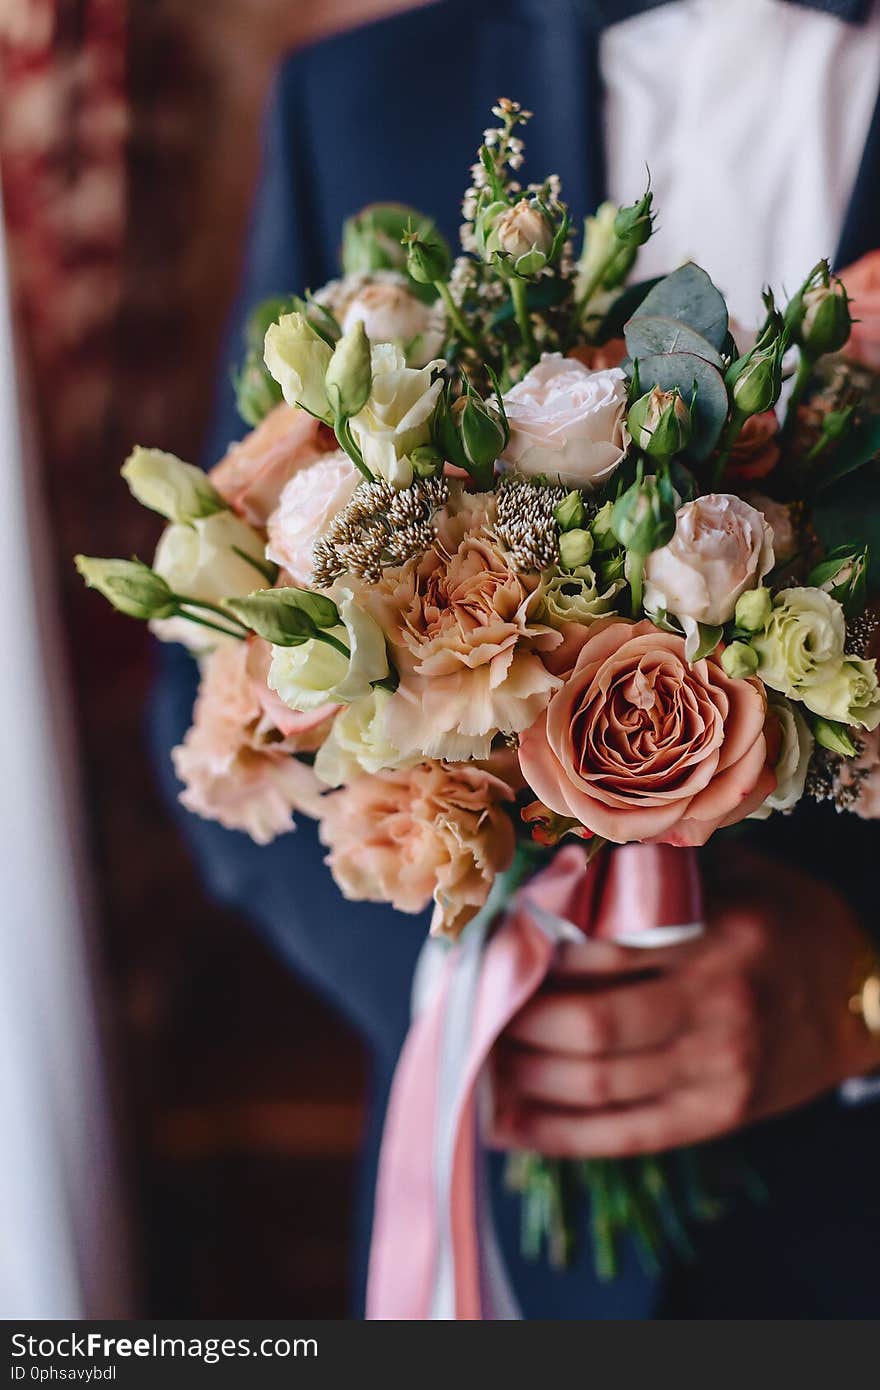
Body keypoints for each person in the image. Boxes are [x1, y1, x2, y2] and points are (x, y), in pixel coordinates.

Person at [152, 0, 880, 1318]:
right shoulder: (362, 102)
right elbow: (208, 686)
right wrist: (465, 983)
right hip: (495, 1251)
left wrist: (863, 995)